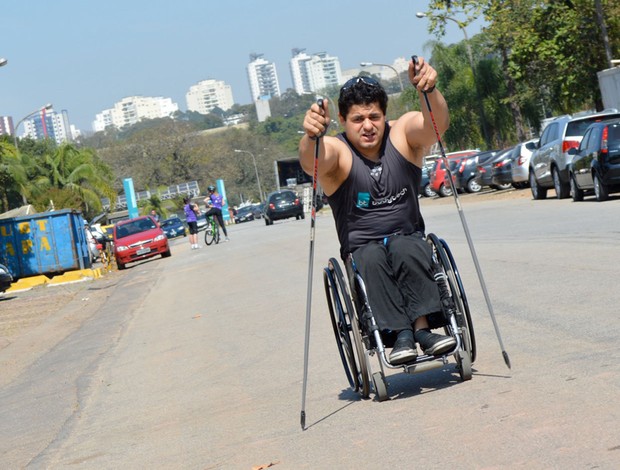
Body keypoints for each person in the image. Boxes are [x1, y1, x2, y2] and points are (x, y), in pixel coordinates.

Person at [299, 56, 456, 365]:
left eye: (374, 116)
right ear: (343, 121)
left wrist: (430, 89)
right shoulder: (338, 151)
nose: (368, 125)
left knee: (404, 247)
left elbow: (433, 127)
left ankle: (423, 331)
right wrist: (311, 137)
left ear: (385, 116)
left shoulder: (402, 135)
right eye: (358, 119)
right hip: (362, 248)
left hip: (408, 236)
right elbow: (313, 161)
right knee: (371, 257)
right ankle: (401, 335)